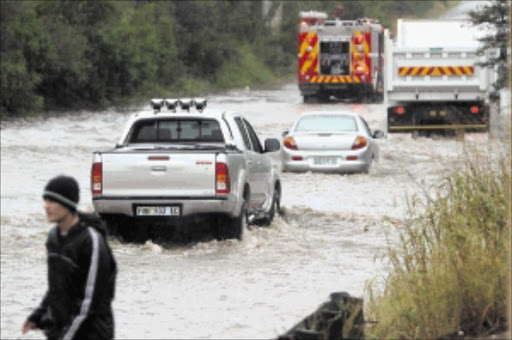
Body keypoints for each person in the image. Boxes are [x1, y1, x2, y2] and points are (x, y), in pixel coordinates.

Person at [21, 175, 117, 340]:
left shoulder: (91, 241)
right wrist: (38, 315)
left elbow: (90, 302)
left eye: (52, 201)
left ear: (68, 204)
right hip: (62, 329)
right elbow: (56, 287)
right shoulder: (53, 237)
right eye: (45, 200)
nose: (46, 206)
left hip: (92, 333)